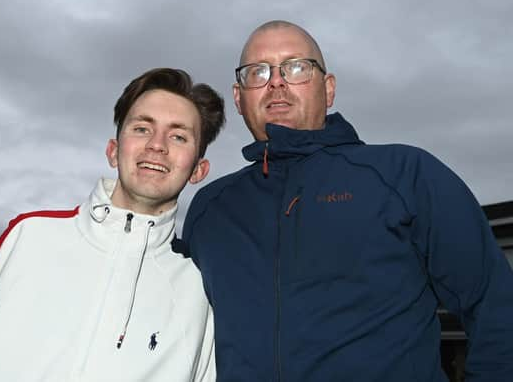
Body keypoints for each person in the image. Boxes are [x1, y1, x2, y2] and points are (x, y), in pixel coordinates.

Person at [183, 20, 513, 381]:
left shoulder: (404, 176)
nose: (276, 81)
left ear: (328, 89)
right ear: (238, 98)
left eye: (296, 67)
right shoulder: (210, 210)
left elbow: (496, 306)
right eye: (257, 72)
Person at [0, 68, 225, 381]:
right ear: (114, 150)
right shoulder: (28, 236)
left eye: (178, 136)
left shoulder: (202, 286)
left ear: (198, 170)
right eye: (142, 128)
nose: (157, 145)